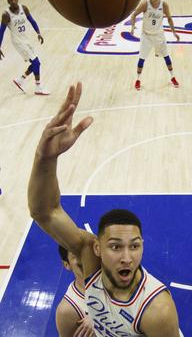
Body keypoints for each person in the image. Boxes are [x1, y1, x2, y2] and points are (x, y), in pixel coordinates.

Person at [28, 82, 181, 336]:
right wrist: (45, 158)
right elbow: (44, 212)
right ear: (97, 248)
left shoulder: (157, 310)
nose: (127, 257)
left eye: (134, 246)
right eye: (115, 246)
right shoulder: (88, 257)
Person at [129, 0, 180, 91]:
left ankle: (173, 77)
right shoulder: (145, 4)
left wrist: (174, 32)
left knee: (166, 56)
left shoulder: (164, 5)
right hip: (146, 36)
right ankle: (138, 79)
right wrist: (132, 27)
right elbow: (133, 15)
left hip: (159, 35)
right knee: (141, 59)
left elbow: (170, 19)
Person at [0, 0, 48, 95]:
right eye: (10, 0)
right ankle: (38, 87)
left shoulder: (24, 8)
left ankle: (20, 80)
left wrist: (38, 33)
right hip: (18, 42)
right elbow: (1, 32)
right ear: (8, 2)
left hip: (26, 39)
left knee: (37, 63)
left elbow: (32, 21)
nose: (13, 1)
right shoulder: (6, 15)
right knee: (36, 62)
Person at [56, 245, 94, 337]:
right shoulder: (66, 311)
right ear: (67, 265)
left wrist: (100, 319)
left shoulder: (114, 275)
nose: (84, 258)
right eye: (76, 254)